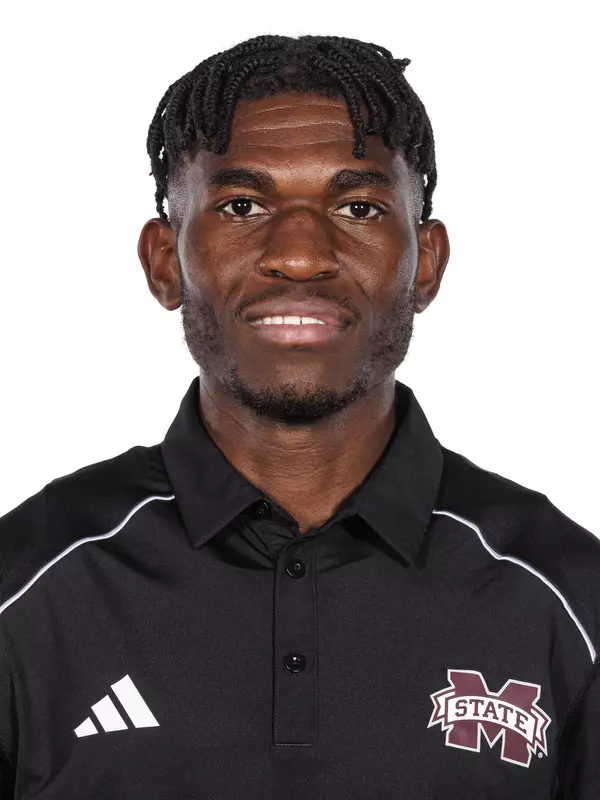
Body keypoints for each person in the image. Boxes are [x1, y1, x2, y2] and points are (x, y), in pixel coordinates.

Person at [0, 33, 597, 800]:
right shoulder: (26, 590)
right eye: (243, 206)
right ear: (164, 262)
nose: (302, 255)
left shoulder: (567, 597)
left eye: (358, 206)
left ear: (426, 263)